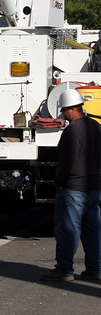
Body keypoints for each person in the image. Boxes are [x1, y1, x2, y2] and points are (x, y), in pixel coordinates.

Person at [40, 89, 101, 282]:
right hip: (94, 187)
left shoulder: (72, 130)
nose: (64, 114)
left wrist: (60, 182)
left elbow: (68, 161)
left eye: (65, 110)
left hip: (75, 188)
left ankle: (64, 269)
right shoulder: (96, 126)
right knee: (93, 231)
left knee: (69, 230)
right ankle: (95, 269)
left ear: (72, 109)